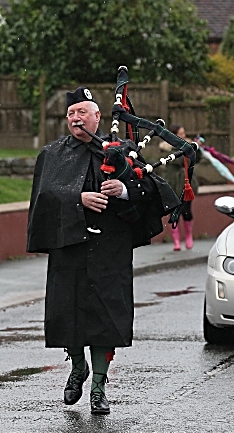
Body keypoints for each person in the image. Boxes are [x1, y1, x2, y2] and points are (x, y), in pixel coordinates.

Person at [27, 87, 179, 415]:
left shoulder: (121, 150)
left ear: (97, 117)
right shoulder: (53, 155)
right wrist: (77, 200)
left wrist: (125, 189)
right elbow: (44, 199)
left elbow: (154, 189)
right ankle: (77, 367)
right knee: (68, 314)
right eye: (70, 114)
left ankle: (98, 386)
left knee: (105, 318)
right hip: (69, 250)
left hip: (110, 250)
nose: (75, 118)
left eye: (82, 112)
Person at [160, 124, 200, 251]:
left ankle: (188, 236)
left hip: (186, 183)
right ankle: (176, 241)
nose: (183, 136)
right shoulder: (166, 149)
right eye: (181, 134)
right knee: (174, 213)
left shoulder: (187, 147)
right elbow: (177, 161)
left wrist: (197, 149)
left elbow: (196, 160)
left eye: (184, 133)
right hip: (172, 183)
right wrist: (187, 150)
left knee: (187, 211)